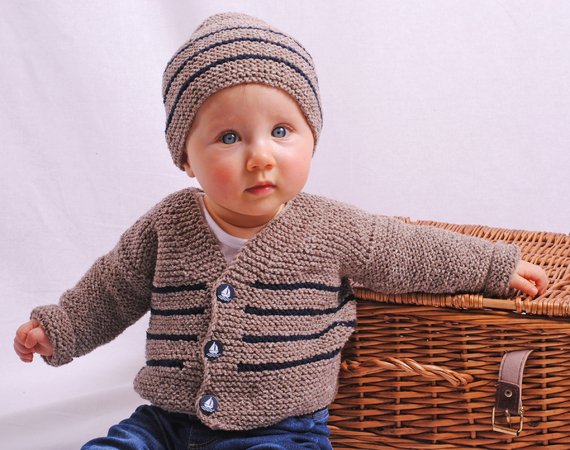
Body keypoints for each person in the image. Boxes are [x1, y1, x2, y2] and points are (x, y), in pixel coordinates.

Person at [13, 12, 548, 450]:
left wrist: (491, 264)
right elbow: (112, 288)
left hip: (282, 429)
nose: (260, 156)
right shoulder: (167, 224)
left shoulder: (332, 228)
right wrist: (61, 328)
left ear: (312, 138)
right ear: (186, 158)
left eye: (282, 131)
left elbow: (406, 250)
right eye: (229, 137)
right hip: (167, 423)